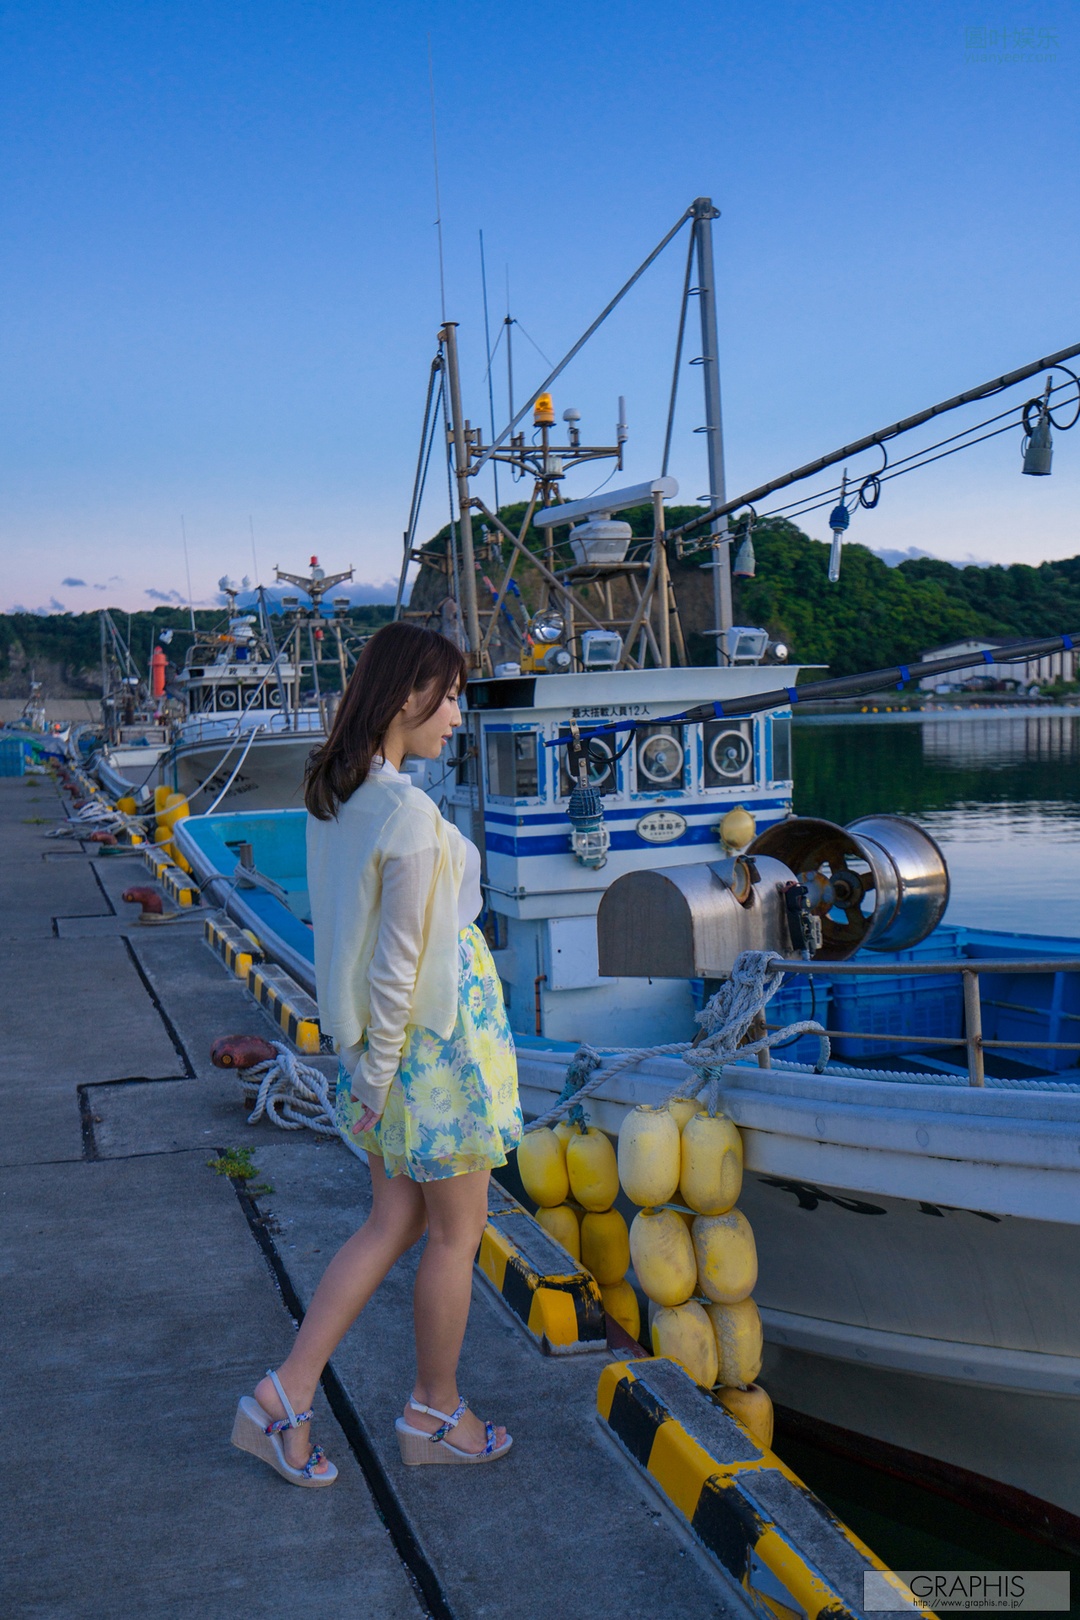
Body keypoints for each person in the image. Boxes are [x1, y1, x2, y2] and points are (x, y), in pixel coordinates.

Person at [231, 622, 522, 1485]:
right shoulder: (410, 815)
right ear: (407, 697)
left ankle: (284, 1393)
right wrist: (378, 1076)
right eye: (451, 696)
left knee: (393, 1222)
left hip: (383, 1047)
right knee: (455, 1234)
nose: (459, 717)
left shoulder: (339, 793)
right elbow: (402, 970)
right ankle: (434, 1410)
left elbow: (349, 944)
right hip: (430, 1048)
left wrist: (362, 1065)